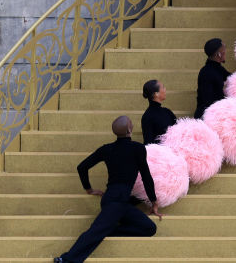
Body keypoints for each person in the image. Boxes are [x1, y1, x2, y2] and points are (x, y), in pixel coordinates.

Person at [54, 115, 161, 263]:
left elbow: (82, 167)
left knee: (149, 228)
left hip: (122, 202)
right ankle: (65, 259)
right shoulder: (138, 148)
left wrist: (89, 189)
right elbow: (146, 177)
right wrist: (154, 201)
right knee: (95, 231)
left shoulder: (107, 149)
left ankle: (109, 229)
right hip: (115, 201)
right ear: (130, 129)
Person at [193, 38, 231, 119]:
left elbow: (232, 77)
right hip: (206, 116)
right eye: (224, 51)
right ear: (219, 54)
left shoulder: (218, 69)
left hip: (215, 112)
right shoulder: (206, 73)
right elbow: (207, 100)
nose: (226, 53)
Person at [140, 80, 177, 146]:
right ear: (156, 94)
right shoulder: (147, 117)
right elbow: (148, 143)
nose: (165, 89)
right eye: (163, 87)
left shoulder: (167, 112)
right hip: (159, 154)